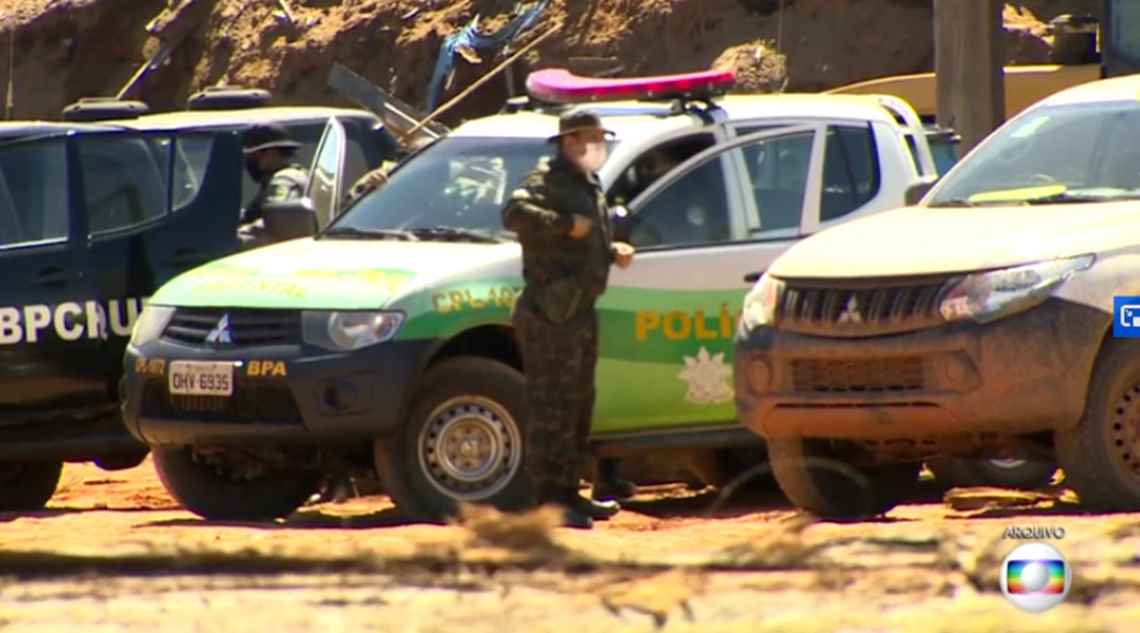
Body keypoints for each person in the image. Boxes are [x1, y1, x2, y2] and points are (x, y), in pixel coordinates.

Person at [502, 109, 637, 529]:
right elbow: (514, 214)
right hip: (550, 314)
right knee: (551, 408)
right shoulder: (545, 180)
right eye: (590, 138)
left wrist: (611, 250)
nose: (597, 145)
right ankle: (549, 501)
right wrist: (563, 224)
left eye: (600, 138)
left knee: (578, 405)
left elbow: (585, 238)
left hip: (579, 311)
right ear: (569, 141)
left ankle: (569, 493)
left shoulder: (587, 182)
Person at [237, 123, 310, 250]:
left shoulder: (285, 180)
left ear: (270, 153)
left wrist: (241, 235)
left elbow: (277, 224)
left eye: (252, 156)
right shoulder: (275, 180)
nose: (248, 162)